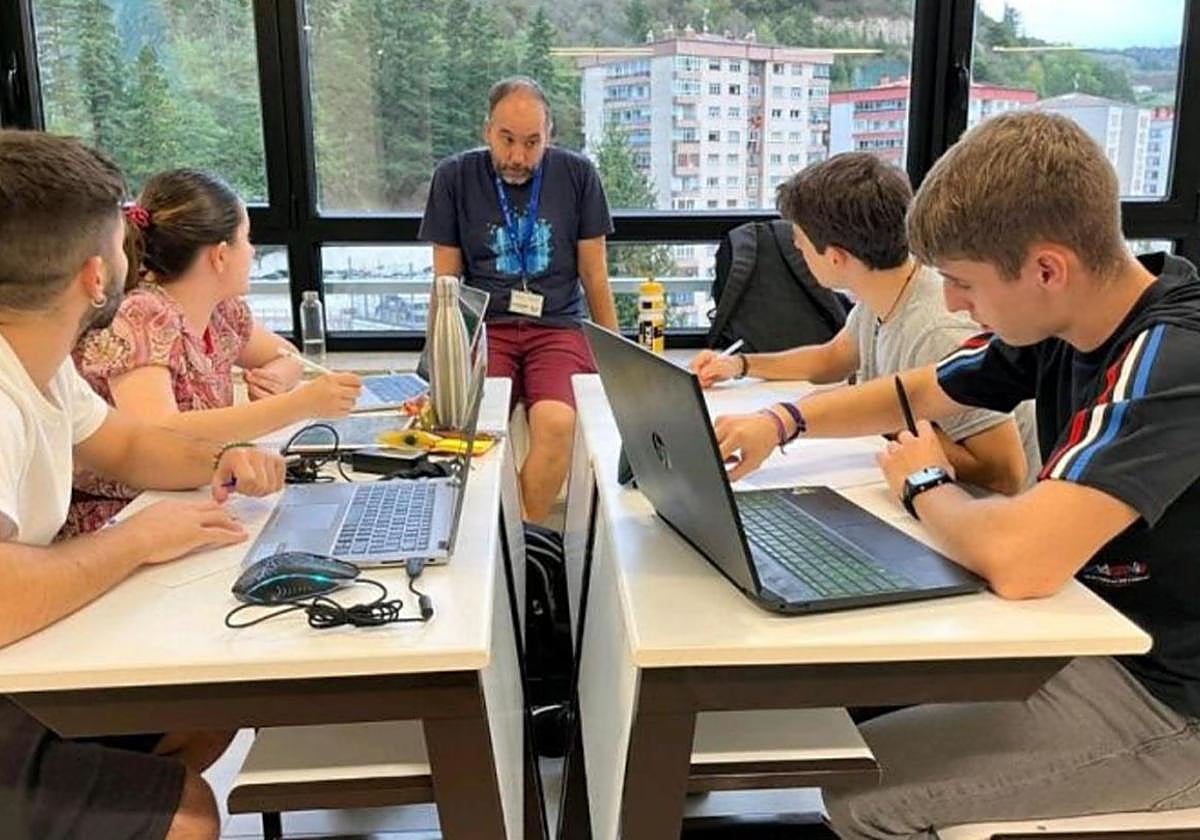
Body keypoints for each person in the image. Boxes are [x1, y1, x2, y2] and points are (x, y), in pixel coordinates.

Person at [716, 112, 1200, 837]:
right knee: (840, 713)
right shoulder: (1070, 320)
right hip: (1091, 636)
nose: (950, 304)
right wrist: (785, 421)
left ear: (1046, 268)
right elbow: (921, 389)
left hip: (1170, 700)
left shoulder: (1171, 361)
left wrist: (923, 485)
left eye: (964, 282)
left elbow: (1019, 560)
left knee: (858, 794)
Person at [0, 130, 287, 840]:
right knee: (189, 816)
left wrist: (221, 457)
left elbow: (129, 444)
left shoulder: (42, 362)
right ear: (97, 277)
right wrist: (137, 541)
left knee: (215, 706)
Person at [691, 152, 1037, 494]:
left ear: (837, 258)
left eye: (800, 242)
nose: (796, 246)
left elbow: (1005, 473)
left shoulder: (937, 329)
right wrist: (738, 364)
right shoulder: (883, 290)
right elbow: (830, 360)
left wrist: (889, 424)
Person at [65, 168, 362, 536]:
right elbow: (159, 431)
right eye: (247, 238)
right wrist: (298, 404)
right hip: (124, 520)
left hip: (191, 496)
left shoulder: (223, 312)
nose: (253, 251)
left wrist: (279, 377)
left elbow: (286, 353)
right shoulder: (142, 314)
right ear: (220, 256)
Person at [419, 75, 619, 523]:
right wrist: (439, 365)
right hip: (488, 325)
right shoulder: (453, 177)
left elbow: (595, 274)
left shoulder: (578, 175)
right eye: (507, 140)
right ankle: (486, 542)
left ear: (550, 136)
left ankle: (515, 544)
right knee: (468, 430)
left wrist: (618, 361)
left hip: (558, 327)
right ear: (487, 130)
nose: (517, 157)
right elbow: (445, 283)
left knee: (557, 425)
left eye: (532, 143)